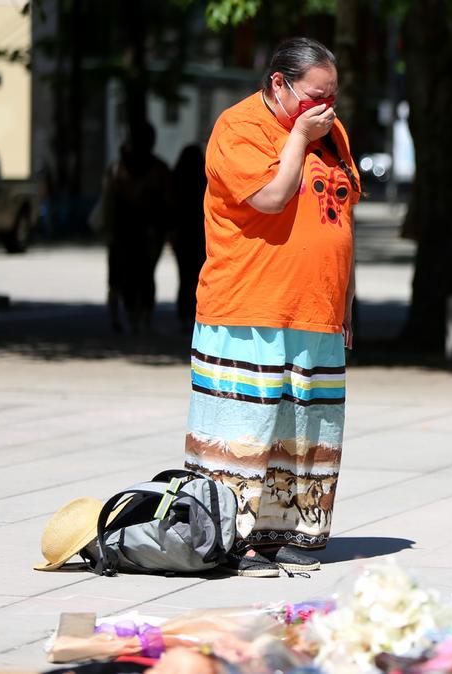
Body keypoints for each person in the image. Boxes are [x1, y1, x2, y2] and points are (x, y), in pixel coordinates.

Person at [185, 37, 360, 577]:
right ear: (278, 83)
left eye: (331, 96)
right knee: (247, 429)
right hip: (249, 307)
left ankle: (294, 536)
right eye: (313, 96)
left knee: (308, 428)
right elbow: (270, 197)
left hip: (317, 310)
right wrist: (301, 138)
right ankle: (231, 541)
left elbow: (342, 215)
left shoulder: (331, 132)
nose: (323, 107)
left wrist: (347, 302)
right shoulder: (239, 127)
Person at [102, 122, 169, 333]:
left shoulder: (117, 167)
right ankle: (140, 319)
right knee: (143, 276)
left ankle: (126, 317)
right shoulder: (156, 168)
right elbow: (167, 202)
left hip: (124, 231)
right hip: (142, 232)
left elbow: (108, 202)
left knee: (123, 276)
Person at [169, 145, 207, 332]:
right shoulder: (204, 182)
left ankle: (183, 315)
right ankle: (193, 314)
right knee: (197, 276)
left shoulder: (176, 182)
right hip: (200, 236)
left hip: (182, 236)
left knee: (184, 276)